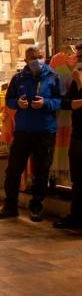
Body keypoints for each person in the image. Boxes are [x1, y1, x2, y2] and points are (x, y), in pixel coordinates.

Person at [0, 46, 62, 222]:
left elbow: (60, 101)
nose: (36, 60)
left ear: (44, 57)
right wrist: (18, 103)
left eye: (39, 56)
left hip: (45, 131)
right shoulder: (18, 78)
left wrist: (46, 103)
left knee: (41, 172)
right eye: (32, 57)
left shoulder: (53, 77)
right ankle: (10, 206)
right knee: (13, 170)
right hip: (23, 130)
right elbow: (9, 100)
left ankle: (36, 207)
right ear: (25, 60)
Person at [56, 47, 82, 229]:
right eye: (77, 56)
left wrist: (80, 83)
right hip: (78, 133)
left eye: (80, 57)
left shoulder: (77, 78)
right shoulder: (75, 77)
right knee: (78, 178)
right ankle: (76, 216)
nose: (77, 60)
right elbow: (67, 102)